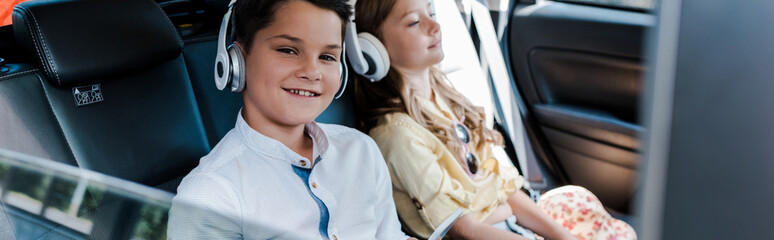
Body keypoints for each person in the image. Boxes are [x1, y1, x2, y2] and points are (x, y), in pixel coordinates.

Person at [351, 0, 637, 239]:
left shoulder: (447, 101)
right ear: (370, 47)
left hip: (507, 227)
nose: (434, 26)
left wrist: (563, 237)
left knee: (578, 201)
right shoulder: (398, 137)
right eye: (414, 22)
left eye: (432, 13)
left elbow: (505, 190)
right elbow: (466, 230)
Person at [167, 0, 411, 239]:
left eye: (327, 56)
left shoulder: (361, 149)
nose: (312, 72)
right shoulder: (210, 194)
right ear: (237, 61)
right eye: (288, 50)